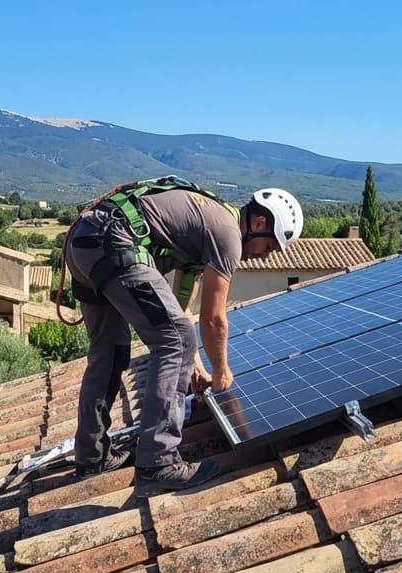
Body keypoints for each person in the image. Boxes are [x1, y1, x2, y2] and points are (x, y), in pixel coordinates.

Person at [62, 177, 302, 494]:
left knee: (109, 354)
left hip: (87, 242)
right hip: (115, 241)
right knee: (175, 339)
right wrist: (221, 372)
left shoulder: (205, 229)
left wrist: (197, 368)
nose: (265, 255)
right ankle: (158, 462)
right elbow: (212, 319)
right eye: (270, 245)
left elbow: (180, 308)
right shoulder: (228, 234)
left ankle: (92, 457)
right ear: (259, 222)